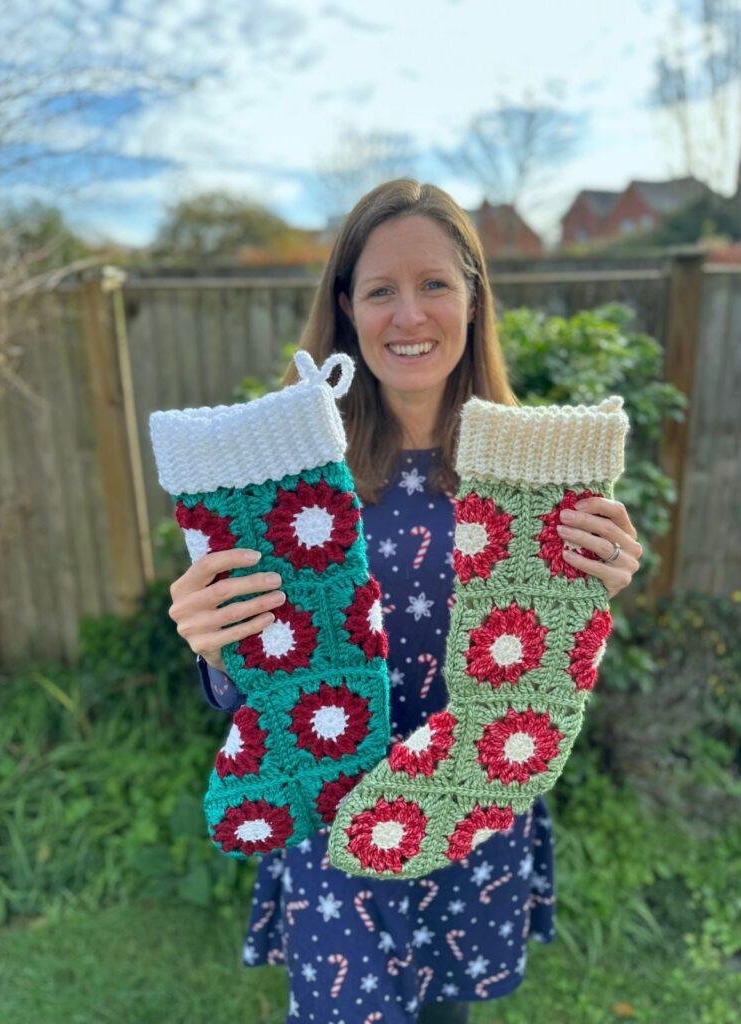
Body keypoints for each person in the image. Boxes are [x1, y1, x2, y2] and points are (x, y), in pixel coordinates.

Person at [168, 179, 643, 1024]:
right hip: (336, 819)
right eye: (382, 290)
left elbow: (542, 681)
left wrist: (590, 606)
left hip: (472, 804)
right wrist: (214, 651)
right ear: (347, 308)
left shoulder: (533, 476)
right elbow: (264, 695)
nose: (409, 315)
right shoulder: (294, 483)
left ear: (472, 299)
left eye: (434, 285)